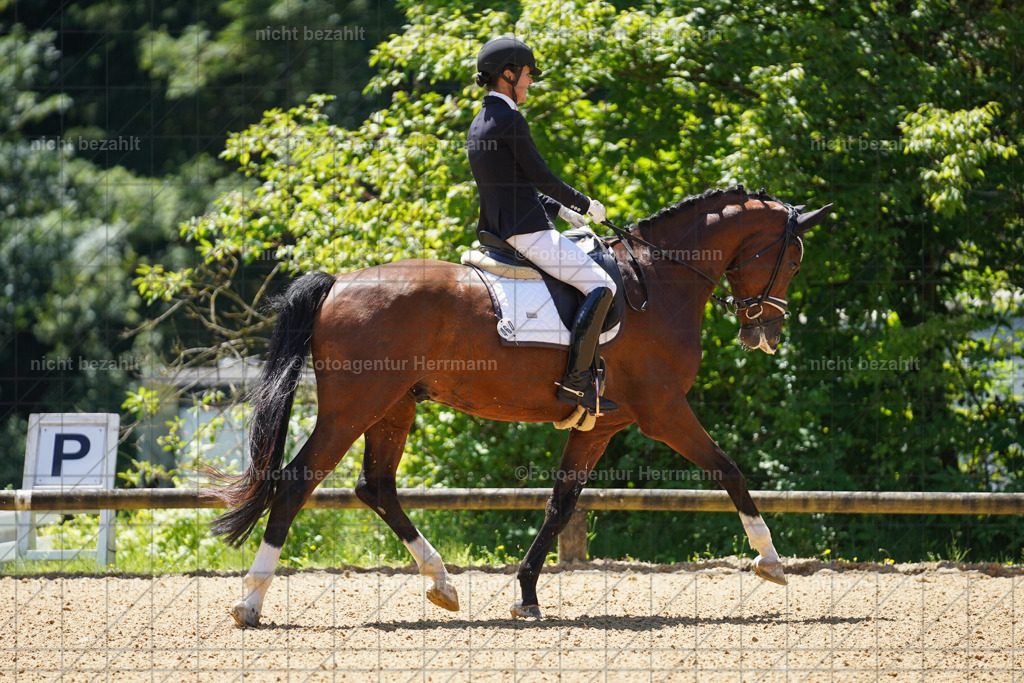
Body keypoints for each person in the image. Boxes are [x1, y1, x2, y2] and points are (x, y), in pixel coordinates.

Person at [467, 35, 618, 414]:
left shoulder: (481, 123)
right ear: (508, 74)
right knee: (602, 285)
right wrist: (585, 204)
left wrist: (559, 210)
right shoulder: (510, 120)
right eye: (527, 74)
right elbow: (540, 175)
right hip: (527, 232)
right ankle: (577, 383)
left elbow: (512, 183)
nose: (531, 81)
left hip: (503, 227)